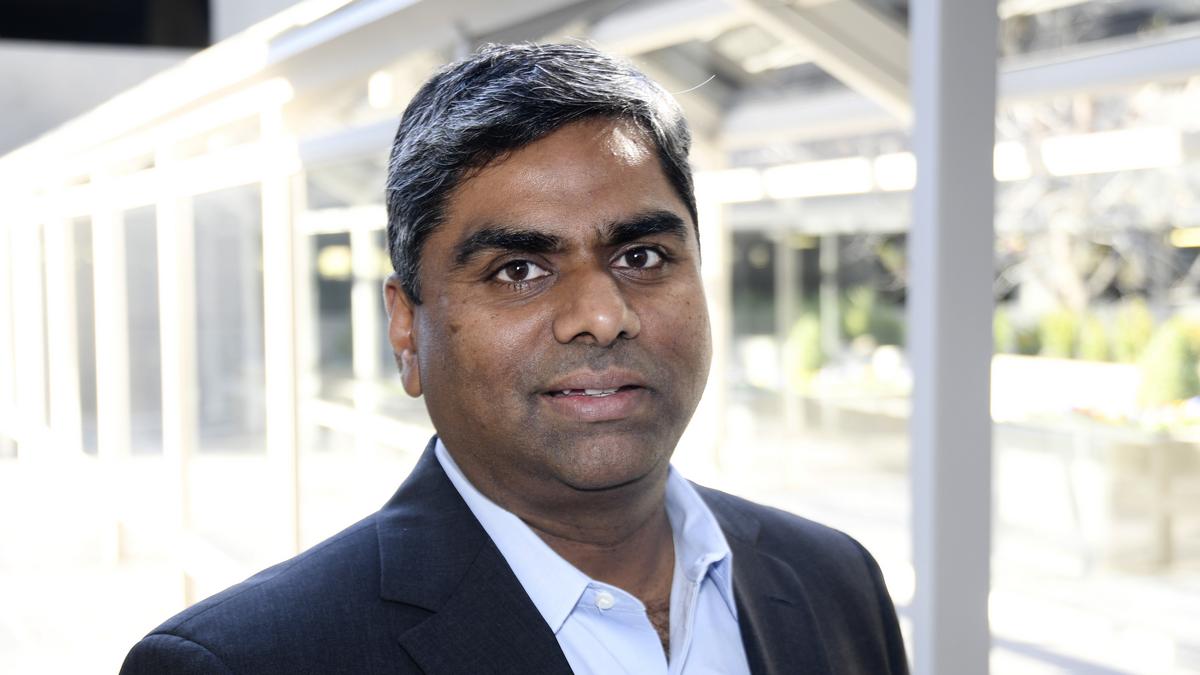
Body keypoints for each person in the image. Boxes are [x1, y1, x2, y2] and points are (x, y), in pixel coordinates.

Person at [121, 42, 908, 675]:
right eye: (519, 269)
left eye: (640, 256)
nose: (601, 315)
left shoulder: (835, 581)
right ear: (406, 329)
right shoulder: (247, 661)